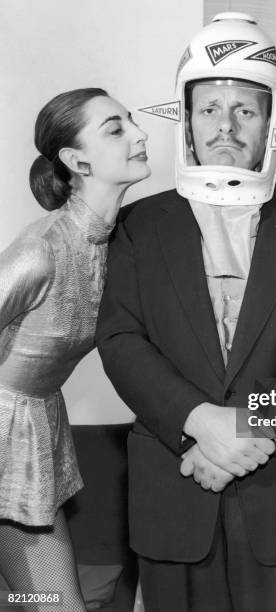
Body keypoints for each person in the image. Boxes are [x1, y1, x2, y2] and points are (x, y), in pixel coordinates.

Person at [96, 13, 276, 612]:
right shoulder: (138, 225)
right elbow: (120, 339)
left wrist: (245, 426)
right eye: (210, 108)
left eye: (244, 109)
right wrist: (198, 420)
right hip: (174, 495)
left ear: (271, 120)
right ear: (186, 119)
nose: (225, 124)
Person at [0, 87, 149, 611]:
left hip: (35, 430)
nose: (139, 134)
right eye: (116, 128)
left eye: (133, 122)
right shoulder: (40, 249)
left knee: (51, 602)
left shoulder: (124, 246)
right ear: (75, 159)